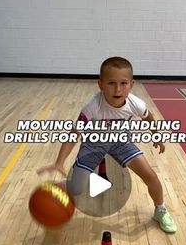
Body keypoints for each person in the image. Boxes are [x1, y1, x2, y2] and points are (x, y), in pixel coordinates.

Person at [38, 56, 177, 233]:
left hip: (121, 141)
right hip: (94, 144)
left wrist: (156, 135)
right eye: (111, 83)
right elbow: (74, 133)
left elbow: (148, 117)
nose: (118, 89)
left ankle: (160, 210)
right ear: (100, 84)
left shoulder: (135, 104)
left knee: (151, 176)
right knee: (77, 188)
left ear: (131, 84)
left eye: (123, 83)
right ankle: (60, 185)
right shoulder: (92, 106)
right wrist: (59, 161)